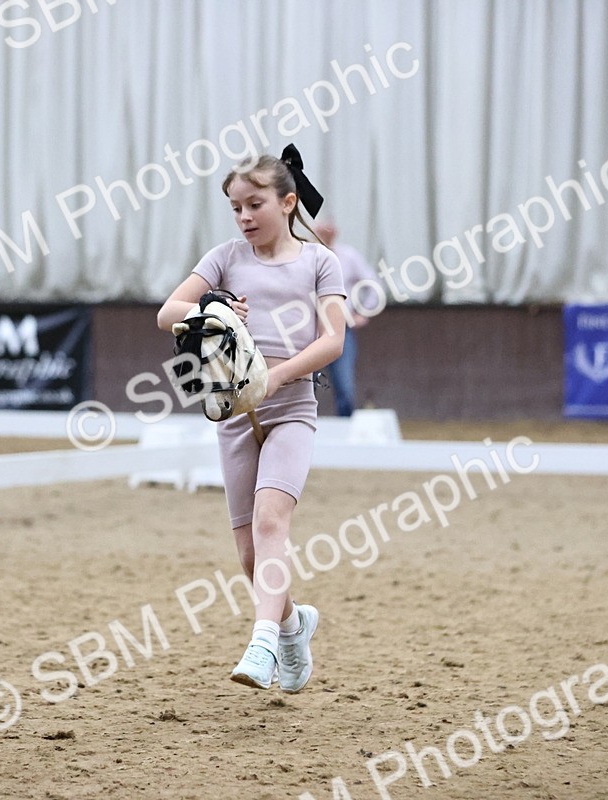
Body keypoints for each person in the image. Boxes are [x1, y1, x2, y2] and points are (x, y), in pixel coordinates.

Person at [157, 146, 346, 692]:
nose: (243, 217)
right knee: (248, 555)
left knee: (270, 524)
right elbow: (168, 313)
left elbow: (333, 338)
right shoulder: (224, 257)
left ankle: (262, 645)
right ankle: (292, 626)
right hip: (234, 414)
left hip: (291, 407)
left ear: (287, 202)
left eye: (254, 205)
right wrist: (212, 305)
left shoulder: (319, 262)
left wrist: (278, 376)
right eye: (235, 207)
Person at [312, 220, 384, 416]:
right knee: (303, 385)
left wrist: (363, 313)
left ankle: (346, 426)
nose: (324, 233)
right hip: (309, 330)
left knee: (345, 386)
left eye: (328, 229)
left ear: (335, 232)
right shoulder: (305, 256)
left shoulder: (348, 256)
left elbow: (373, 285)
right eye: (320, 230)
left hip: (341, 328)